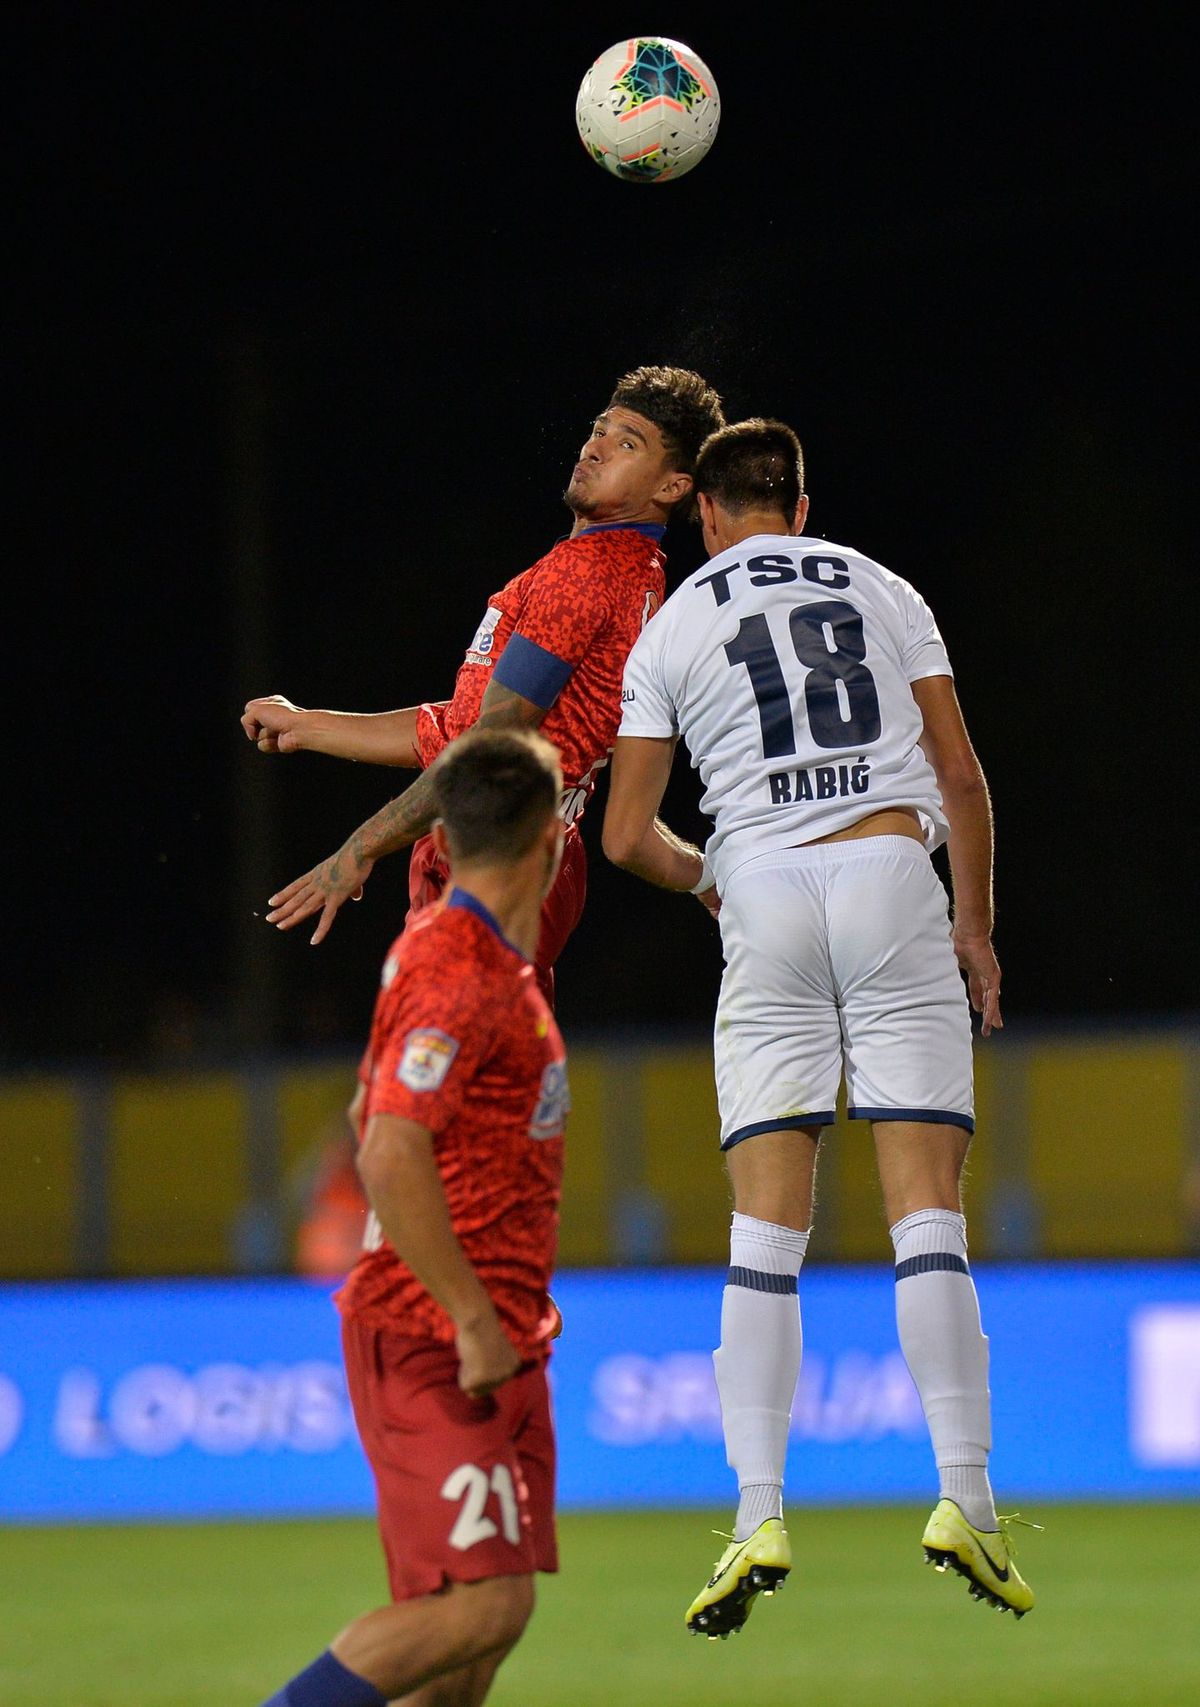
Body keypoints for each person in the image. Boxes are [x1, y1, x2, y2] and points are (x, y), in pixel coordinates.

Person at [601, 417, 1035, 1636]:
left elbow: (626, 835)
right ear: (800, 502)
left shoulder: (675, 623)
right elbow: (962, 780)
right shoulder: (886, 588)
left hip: (764, 886)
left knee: (764, 1234)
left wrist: (716, 881)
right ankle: (968, 1502)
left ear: (707, 514)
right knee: (928, 1217)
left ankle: (757, 1514)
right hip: (895, 870)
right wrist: (976, 929)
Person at [241, 364, 725, 1010]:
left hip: (497, 858)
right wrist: (310, 724)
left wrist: (359, 848)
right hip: (526, 853)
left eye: (627, 442)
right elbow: (470, 727)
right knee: (491, 1095)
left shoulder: (581, 578)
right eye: (599, 429)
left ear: (673, 485)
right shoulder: (630, 572)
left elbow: (486, 748)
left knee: (434, 1096)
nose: (595, 446)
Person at [259, 727, 571, 1707]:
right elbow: (385, 1144)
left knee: (463, 1655)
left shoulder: (462, 952)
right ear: (548, 841)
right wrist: (471, 1315)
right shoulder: (458, 968)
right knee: (482, 1611)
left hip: (500, 1331)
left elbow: (367, 1105)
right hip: (439, 1334)